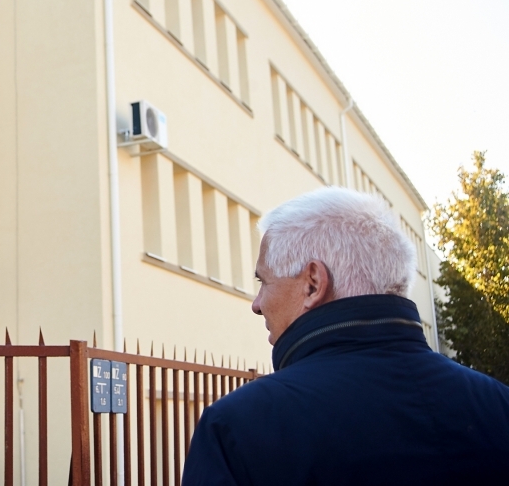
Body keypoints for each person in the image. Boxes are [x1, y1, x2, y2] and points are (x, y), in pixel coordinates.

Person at [182, 187, 509, 485]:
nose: (257, 305)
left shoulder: (238, 427)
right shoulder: (497, 405)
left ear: (312, 283)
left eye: (263, 282)